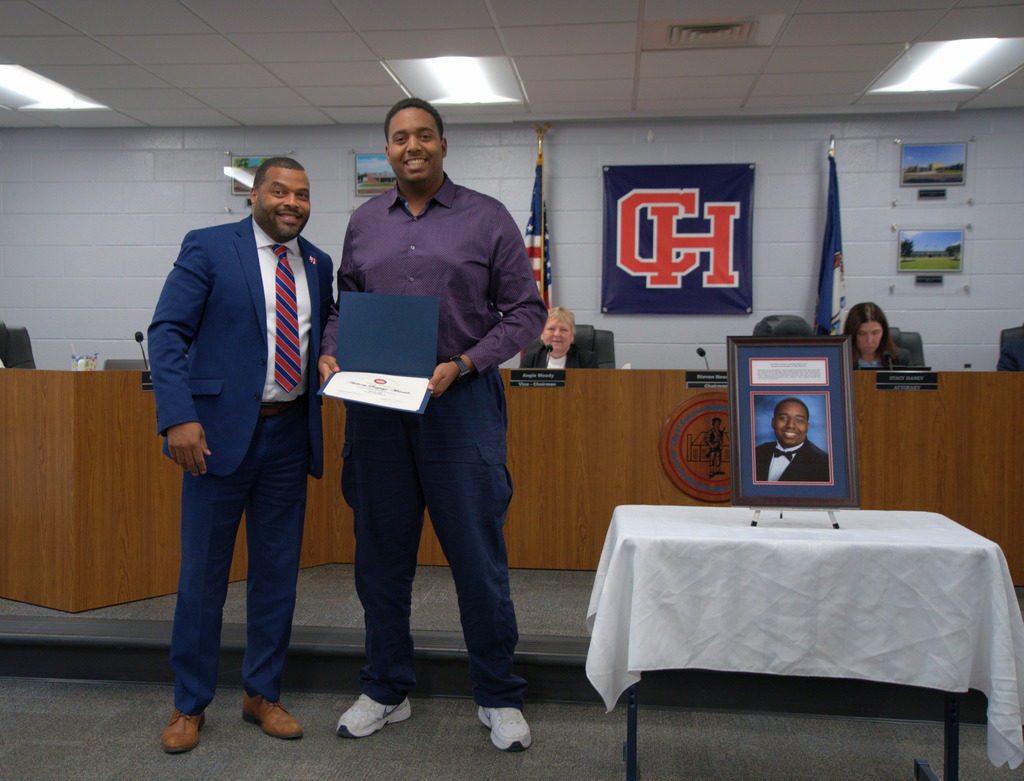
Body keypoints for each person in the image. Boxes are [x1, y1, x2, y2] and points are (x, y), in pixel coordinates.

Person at [319, 97, 546, 752]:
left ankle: (498, 693)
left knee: (477, 559)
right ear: (386, 150)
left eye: (423, 135)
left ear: (443, 145)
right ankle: (386, 688)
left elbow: (526, 313)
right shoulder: (364, 223)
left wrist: (467, 361)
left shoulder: (489, 218)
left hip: (460, 404)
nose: (411, 145)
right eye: (398, 137)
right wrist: (331, 347)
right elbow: (342, 306)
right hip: (378, 409)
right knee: (380, 560)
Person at [148, 157, 334, 753]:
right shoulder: (208, 247)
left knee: (277, 575)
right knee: (203, 577)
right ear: (253, 195)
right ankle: (189, 703)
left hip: (288, 436)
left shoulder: (318, 264)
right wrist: (178, 415)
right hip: (215, 437)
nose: (292, 203)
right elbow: (168, 332)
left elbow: (322, 339)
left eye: (302, 195)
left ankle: (262, 693)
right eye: (280, 191)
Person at [754, 397, 831, 483]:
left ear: (807, 427)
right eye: (783, 418)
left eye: (799, 420)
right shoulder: (756, 453)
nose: (790, 425)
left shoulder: (824, 464)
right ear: (773, 422)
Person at [519, 307, 598, 368]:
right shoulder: (530, 359)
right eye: (551, 329)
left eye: (563, 330)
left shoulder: (587, 359)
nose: (557, 334)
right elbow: (521, 388)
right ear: (542, 335)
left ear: (572, 336)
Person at [842, 302, 910, 369]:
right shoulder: (840, 359)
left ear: (884, 332)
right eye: (862, 334)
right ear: (852, 334)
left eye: (875, 333)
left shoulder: (901, 358)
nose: (869, 340)